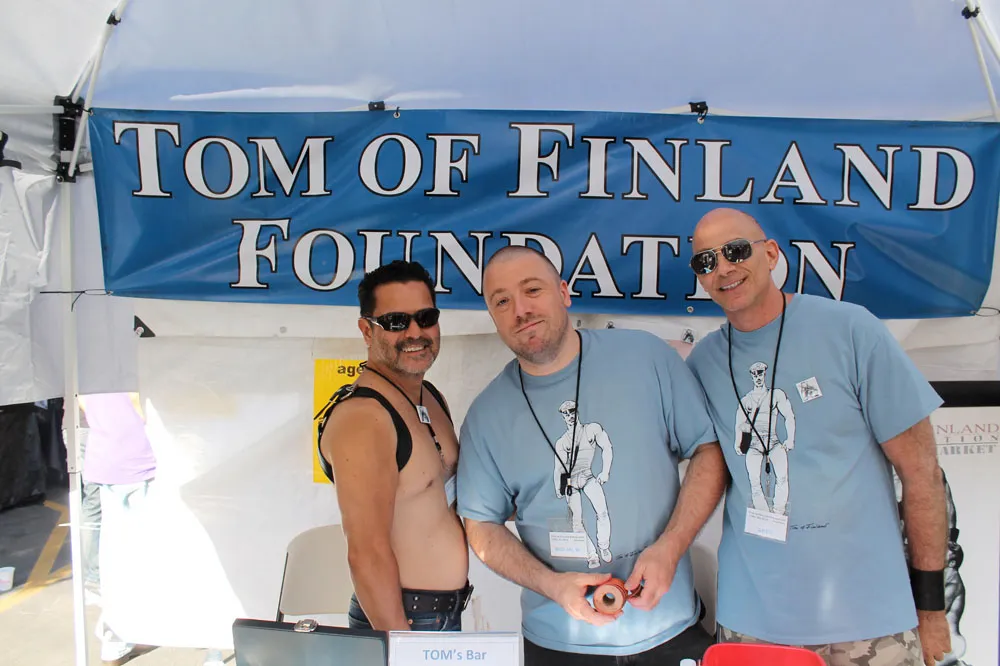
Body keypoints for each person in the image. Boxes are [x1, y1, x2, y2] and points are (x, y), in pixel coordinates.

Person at [683, 208, 951, 666]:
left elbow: (921, 473)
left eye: (736, 251)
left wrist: (930, 608)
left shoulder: (851, 330)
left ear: (771, 254)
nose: (723, 268)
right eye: (706, 261)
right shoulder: (704, 362)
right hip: (753, 625)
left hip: (870, 622)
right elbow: (701, 470)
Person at [456, 246, 726, 665]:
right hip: (558, 641)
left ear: (564, 293)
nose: (521, 310)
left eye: (532, 290)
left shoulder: (645, 358)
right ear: (492, 316)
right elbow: (482, 524)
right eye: (502, 301)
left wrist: (671, 547)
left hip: (667, 627)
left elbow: (708, 448)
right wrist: (552, 585)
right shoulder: (486, 416)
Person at [317, 260, 471, 632]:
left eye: (426, 317)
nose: (415, 332)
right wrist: (401, 645)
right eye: (396, 322)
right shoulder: (364, 418)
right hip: (405, 623)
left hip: (441, 618)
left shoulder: (430, 396)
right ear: (367, 331)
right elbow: (366, 553)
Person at [77, 392, 158, 666]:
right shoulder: (126, 368)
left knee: (116, 557)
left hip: (106, 459)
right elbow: (140, 401)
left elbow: (82, 401)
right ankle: (124, 634)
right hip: (139, 458)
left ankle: (119, 639)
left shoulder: (88, 369)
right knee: (141, 558)